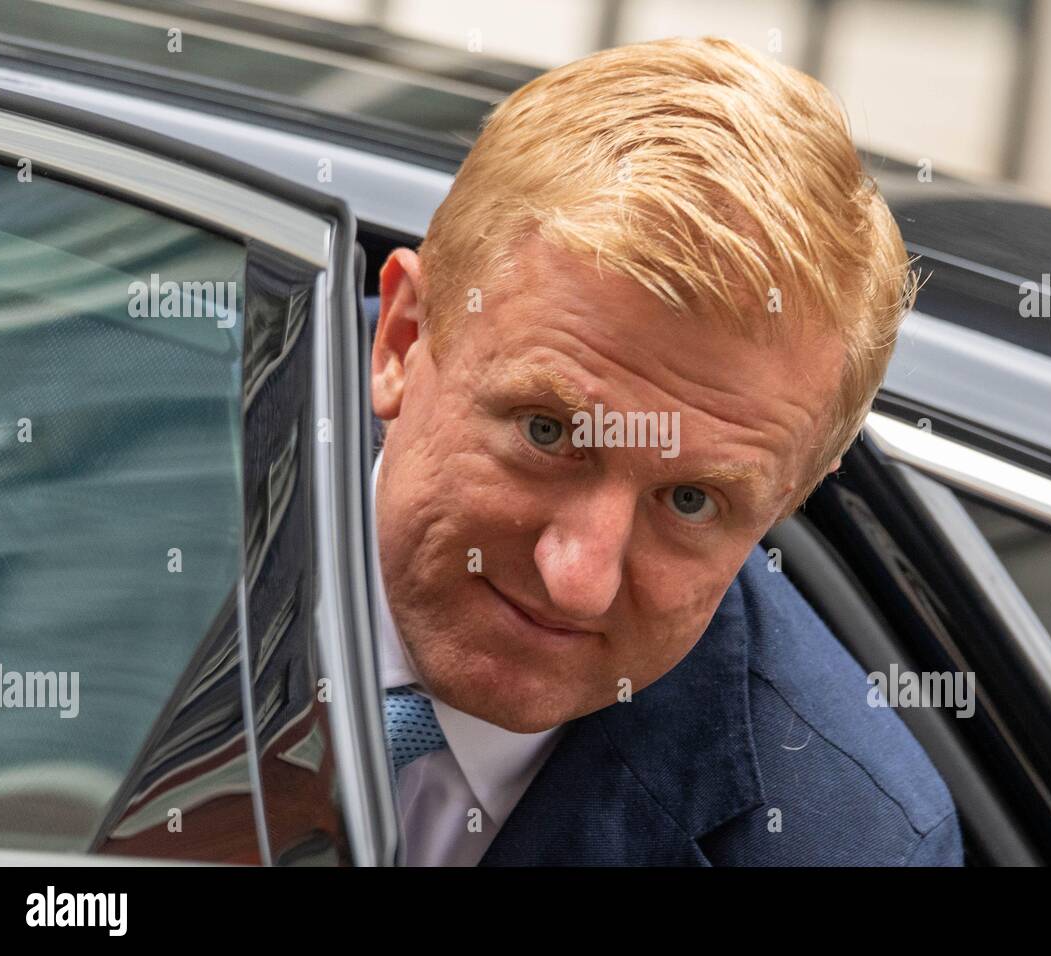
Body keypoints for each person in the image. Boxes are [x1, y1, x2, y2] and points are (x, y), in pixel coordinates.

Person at [369, 35, 962, 866]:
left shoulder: (847, 844)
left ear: (788, 501)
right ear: (401, 340)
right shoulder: (140, 427)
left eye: (692, 501)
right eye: (549, 433)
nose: (578, 581)